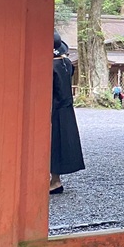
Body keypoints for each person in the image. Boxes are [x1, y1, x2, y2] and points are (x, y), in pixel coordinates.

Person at [51, 31, 85, 194]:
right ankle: (56, 179)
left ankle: (55, 181)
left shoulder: (51, 66)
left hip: (54, 108)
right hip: (66, 109)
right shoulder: (67, 64)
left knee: (52, 144)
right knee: (61, 143)